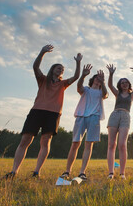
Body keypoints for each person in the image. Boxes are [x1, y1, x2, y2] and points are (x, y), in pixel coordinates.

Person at [5, 45, 81, 179]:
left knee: (45, 141)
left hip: (53, 114)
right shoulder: (43, 79)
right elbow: (35, 67)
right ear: (53, 69)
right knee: (25, 140)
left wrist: (78, 62)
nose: (61, 69)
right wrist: (42, 52)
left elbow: (76, 76)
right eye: (59, 67)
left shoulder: (63, 83)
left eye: (62, 69)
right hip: (37, 111)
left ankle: (36, 172)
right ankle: (14, 171)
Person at [59, 65, 108, 181]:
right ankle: (67, 171)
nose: (97, 79)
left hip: (94, 118)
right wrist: (83, 75)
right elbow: (78, 87)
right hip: (81, 116)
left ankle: (82, 173)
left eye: (99, 78)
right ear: (92, 80)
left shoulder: (101, 91)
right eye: (95, 77)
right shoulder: (86, 89)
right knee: (75, 144)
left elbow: (105, 94)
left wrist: (103, 81)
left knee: (88, 145)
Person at [106, 65, 133, 180]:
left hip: (126, 116)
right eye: (122, 83)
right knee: (111, 144)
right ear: (120, 85)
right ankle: (111, 173)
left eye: (126, 82)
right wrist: (111, 74)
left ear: (129, 84)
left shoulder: (131, 94)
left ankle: (122, 173)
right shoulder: (117, 94)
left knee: (122, 144)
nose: (124, 84)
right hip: (115, 115)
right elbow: (110, 85)